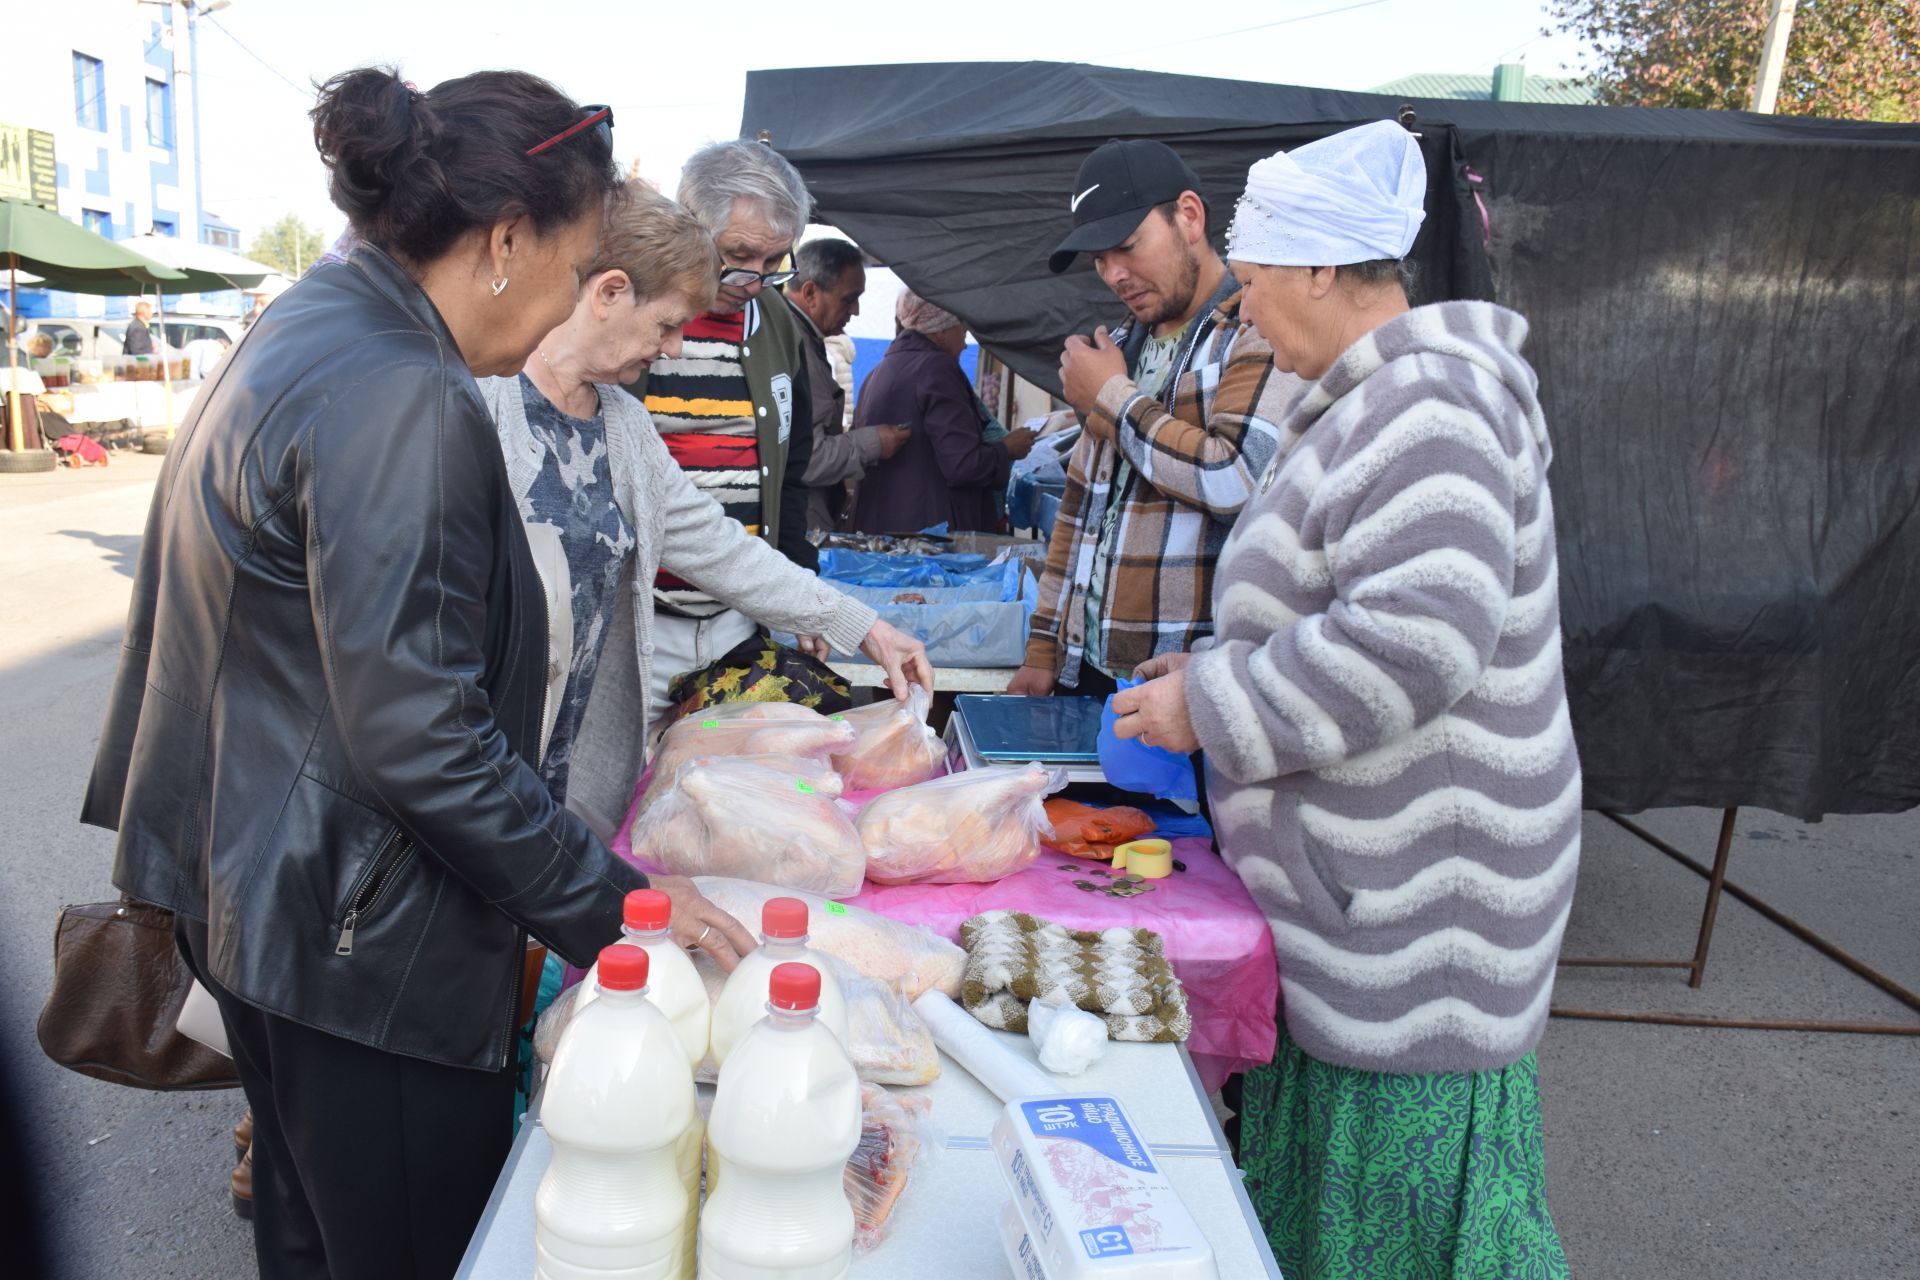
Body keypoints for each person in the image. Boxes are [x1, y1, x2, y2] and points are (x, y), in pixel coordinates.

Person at [81, 67, 748, 1280]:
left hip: (256, 895)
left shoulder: (315, 314)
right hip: (359, 945)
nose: (567, 301)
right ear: (505, 239)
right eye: (575, 258)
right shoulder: (408, 391)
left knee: (309, 1238)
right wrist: (612, 905)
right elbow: (424, 736)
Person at [1113, 121, 1576, 1278]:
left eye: (1258, 282)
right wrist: (1212, 665)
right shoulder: (1367, 400)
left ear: (1324, 269)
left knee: (1406, 1229)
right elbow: (1335, 607)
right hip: (1363, 907)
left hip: (1425, 926)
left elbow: (1417, 642)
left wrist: (1212, 708)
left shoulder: (1430, 408)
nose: (1249, 310)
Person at [476, 181, 932, 842]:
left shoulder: (623, 424)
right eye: (665, 325)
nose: (672, 351)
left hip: (568, 782)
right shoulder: (483, 399)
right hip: (481, 768)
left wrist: (862, 626)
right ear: (608, 294)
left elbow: (716, 547)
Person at [1005, 139, 1300, 703]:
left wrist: (1111, 398)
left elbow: (1236, 478)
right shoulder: (1118, 344)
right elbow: (1078, 509)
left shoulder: (1254, 329)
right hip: (1089, 669)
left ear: (1188, 216)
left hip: (1194, 683)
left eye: (1127, 247)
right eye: (1099, 260)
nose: (1115, 274)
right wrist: (1044, 649)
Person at [624, 140, 824, 717]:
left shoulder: (780, 324)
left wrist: (796, 592)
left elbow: (791, 476)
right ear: (691, 225)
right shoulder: (631, 310)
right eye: (739, 254)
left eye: (774, 261)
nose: (754, 278)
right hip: (638, 621)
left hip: (735, 627)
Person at [849, 290, 1035, 533]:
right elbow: (963, 465)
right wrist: (1007, 449)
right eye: (963, 331)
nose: (965, 344)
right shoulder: (936, 369)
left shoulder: (878, 372)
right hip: (927, 538)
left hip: (883, 530)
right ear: (940, 331)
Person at [787, 236, 909, 530]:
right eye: (848, 298)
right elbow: (807, 458)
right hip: (797, 520)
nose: (855, 310)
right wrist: (873, 443)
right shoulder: (792, 344)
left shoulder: (799, 337)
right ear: (811, 292)